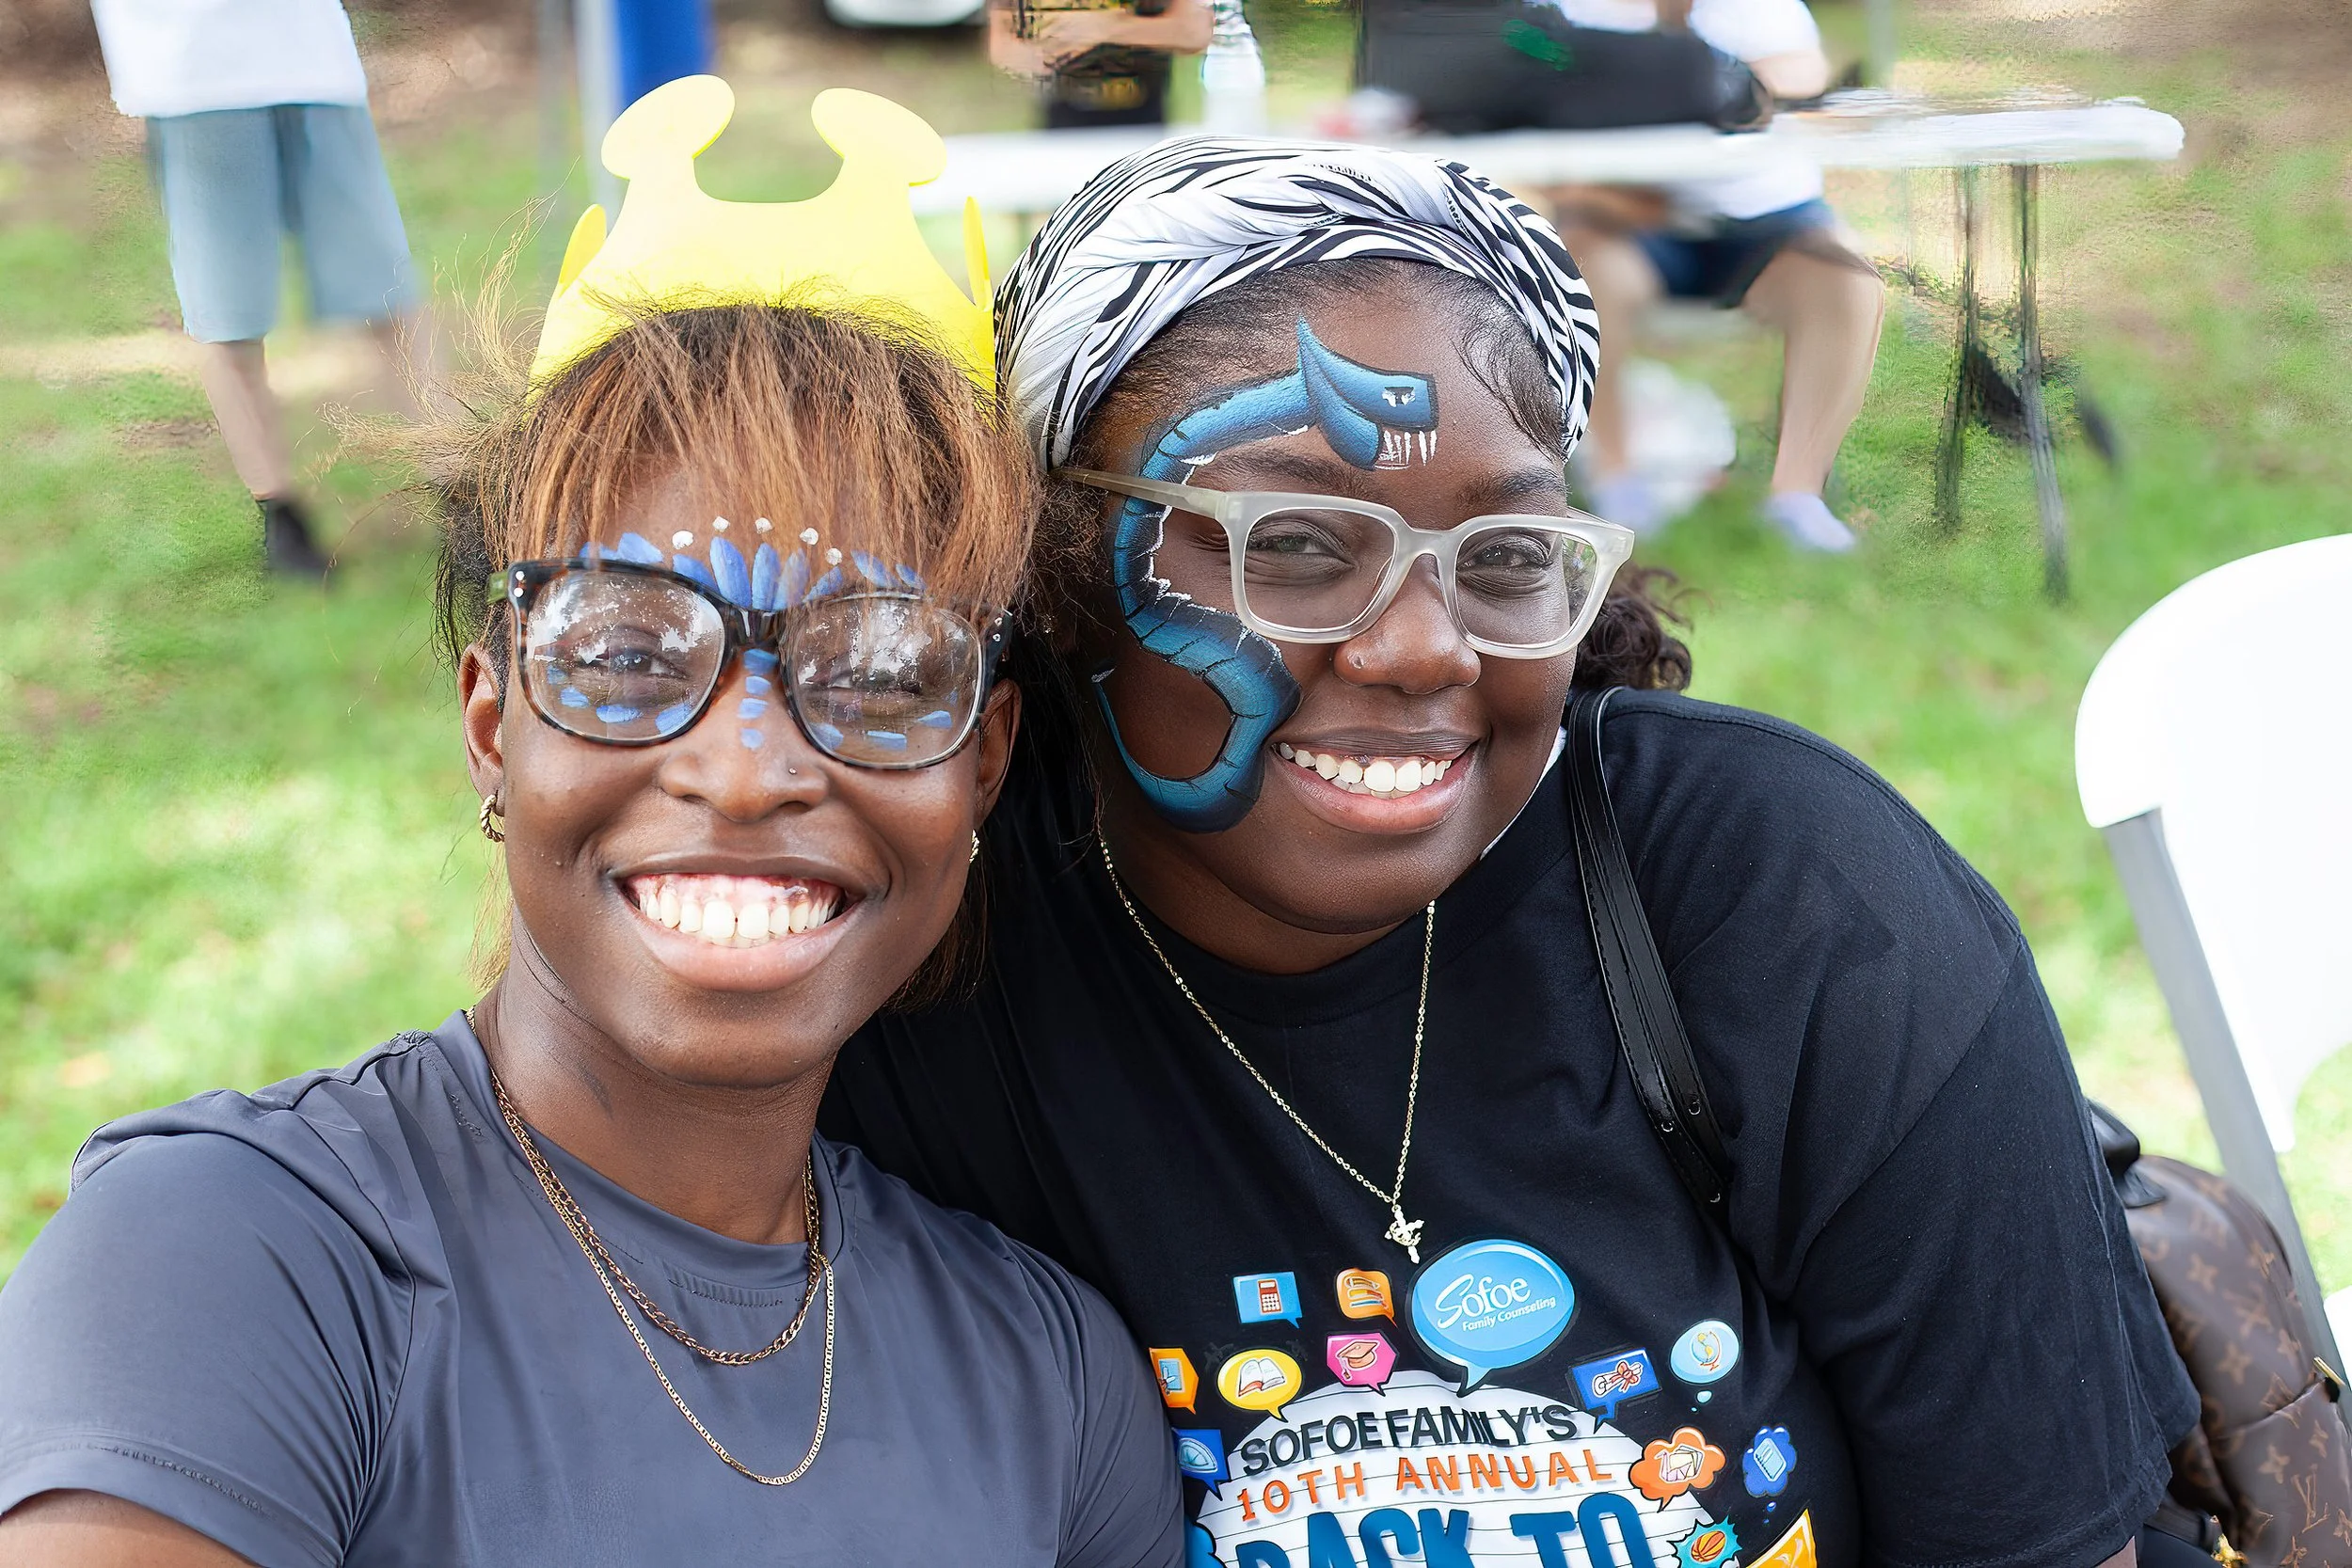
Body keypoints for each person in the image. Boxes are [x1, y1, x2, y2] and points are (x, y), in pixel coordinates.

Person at [824, 136, 2199, 1567]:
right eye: (1291, 542)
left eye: (1502, 556)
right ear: (1052, 560)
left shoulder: (1787, 899)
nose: (1423, 646)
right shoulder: (920, 954)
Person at [0, 84, 1183, 1568]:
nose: (748, 770)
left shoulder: (1053, 1379)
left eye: (882, 667)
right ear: (493, 719)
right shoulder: (234, 1258)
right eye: (626, 654)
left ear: (985, 766)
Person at [88, 0, 434, 578]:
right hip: (192, 69)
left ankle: (459, 480)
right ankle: (282, 520)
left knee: (385, 288)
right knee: (228, 313)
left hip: (311, 54)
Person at [1545, 0, 1885, 552]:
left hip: (1770, 225)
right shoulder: (1575, 11)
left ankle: (1797, 496)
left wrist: (1701, 79)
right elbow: (1542, 127)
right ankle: (1617, 479)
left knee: (1850, 281)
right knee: (1582, 261)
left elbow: (1805, 76)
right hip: (1634, 224)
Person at [989, 0, 1213, 129]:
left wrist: (1104, 28)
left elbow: (1194, 33)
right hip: (1062, 116)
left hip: (1144, 118)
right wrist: (1033, 56)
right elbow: (1000, 42)